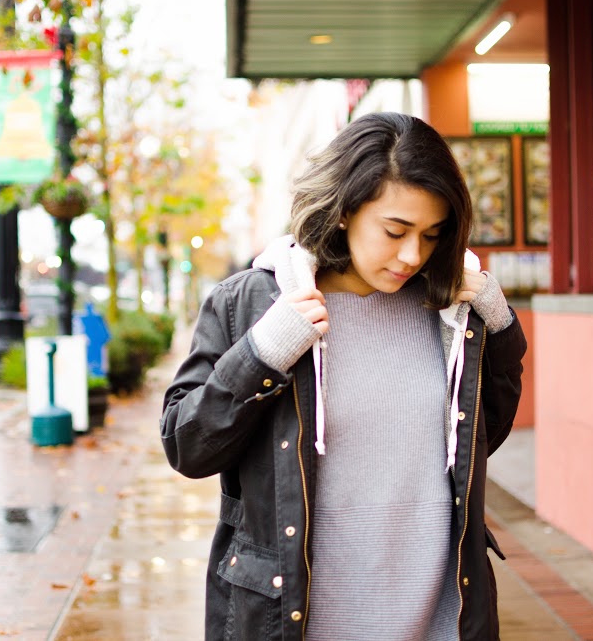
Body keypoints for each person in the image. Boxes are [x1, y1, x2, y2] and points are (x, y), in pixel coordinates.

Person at [161, 112, 527, 641]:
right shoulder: (251, 302)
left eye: (432, 235)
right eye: (395, 230)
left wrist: (499, 324)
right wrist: (263, 353)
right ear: (342, 212)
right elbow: (186, 445)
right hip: (297, 622)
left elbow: (484, 436)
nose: (412, 255)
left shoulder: (448, 313)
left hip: (440, 620)